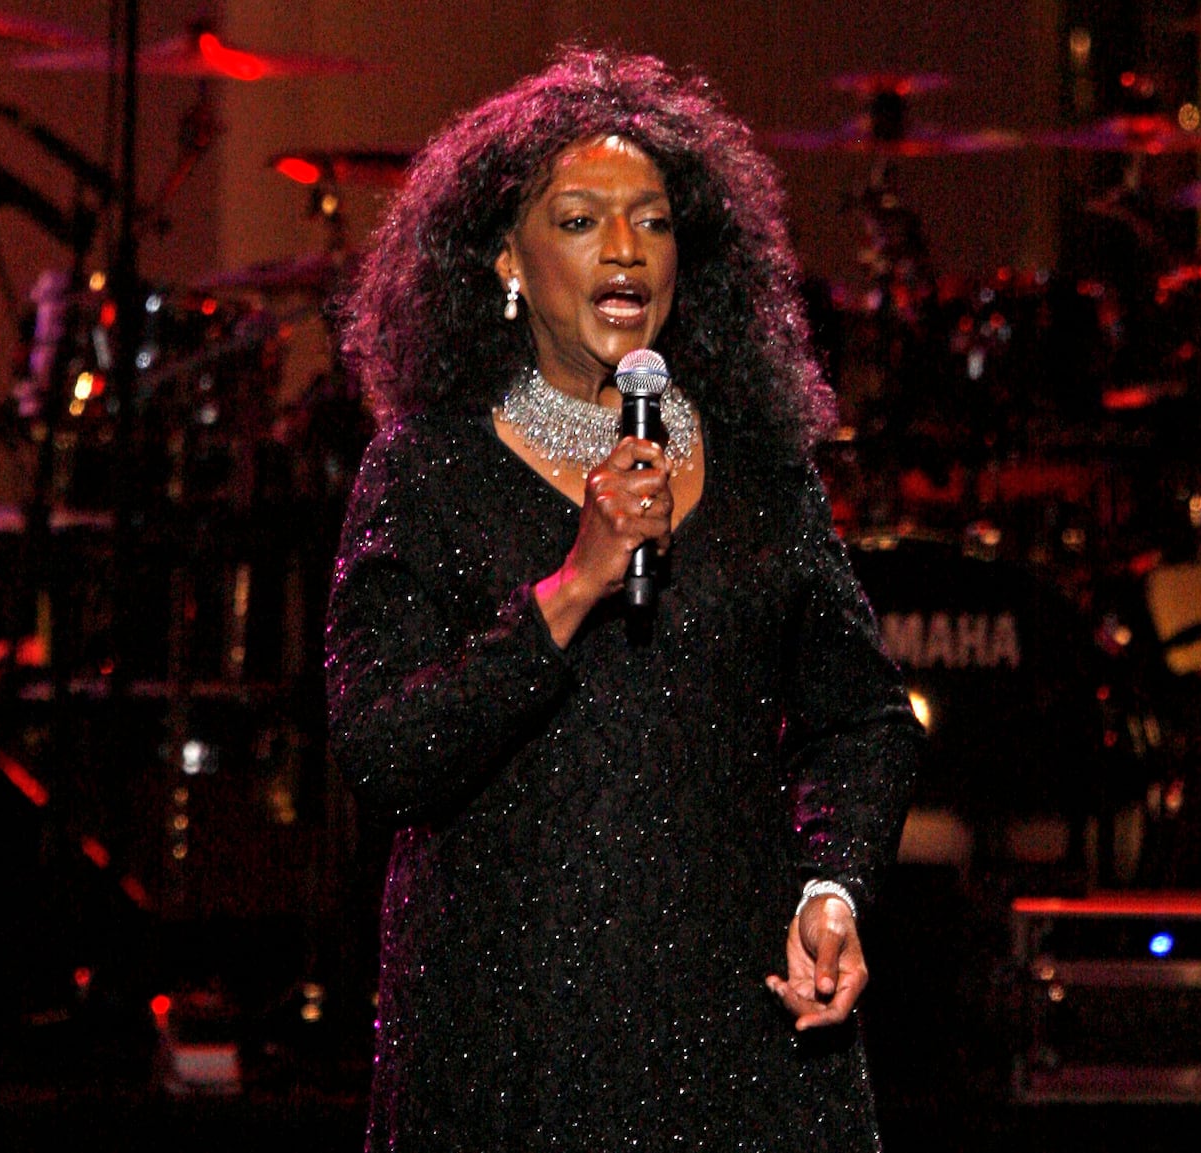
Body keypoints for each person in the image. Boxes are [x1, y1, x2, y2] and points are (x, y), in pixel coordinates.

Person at [326, 48, 924, 1150]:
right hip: (512, 1042)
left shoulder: (758, 473)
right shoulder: (427, 474)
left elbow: (862, 719)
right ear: (505, 257)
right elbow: (384, 750)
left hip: (737, 1041)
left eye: (652, 222)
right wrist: (572, 584)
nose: (624, 251)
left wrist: (832, 886)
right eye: (579, 219)